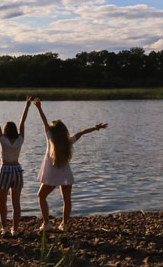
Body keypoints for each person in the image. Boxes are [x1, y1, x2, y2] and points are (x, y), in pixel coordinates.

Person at [34, 97, 108, 232]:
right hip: (65, 173)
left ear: (52, 130)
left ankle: (46, 223)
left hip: (52, 173)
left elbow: (44, 121)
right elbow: (81, 132)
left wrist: (39, 107)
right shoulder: (68, 141)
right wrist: (96, 128)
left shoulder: (50, 137)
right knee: (66, 199)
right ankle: (65, 224)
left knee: (41, 196)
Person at [0, 95, 31, 237]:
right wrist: (27, 105)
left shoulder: (3, 140)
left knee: (3, 201)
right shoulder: (20, 139)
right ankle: (15, 229)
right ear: (15, 131)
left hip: (5, 169)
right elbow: (22, 122)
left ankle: (5, 228)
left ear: (6, 131)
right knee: (16, 203)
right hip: (17, 170)